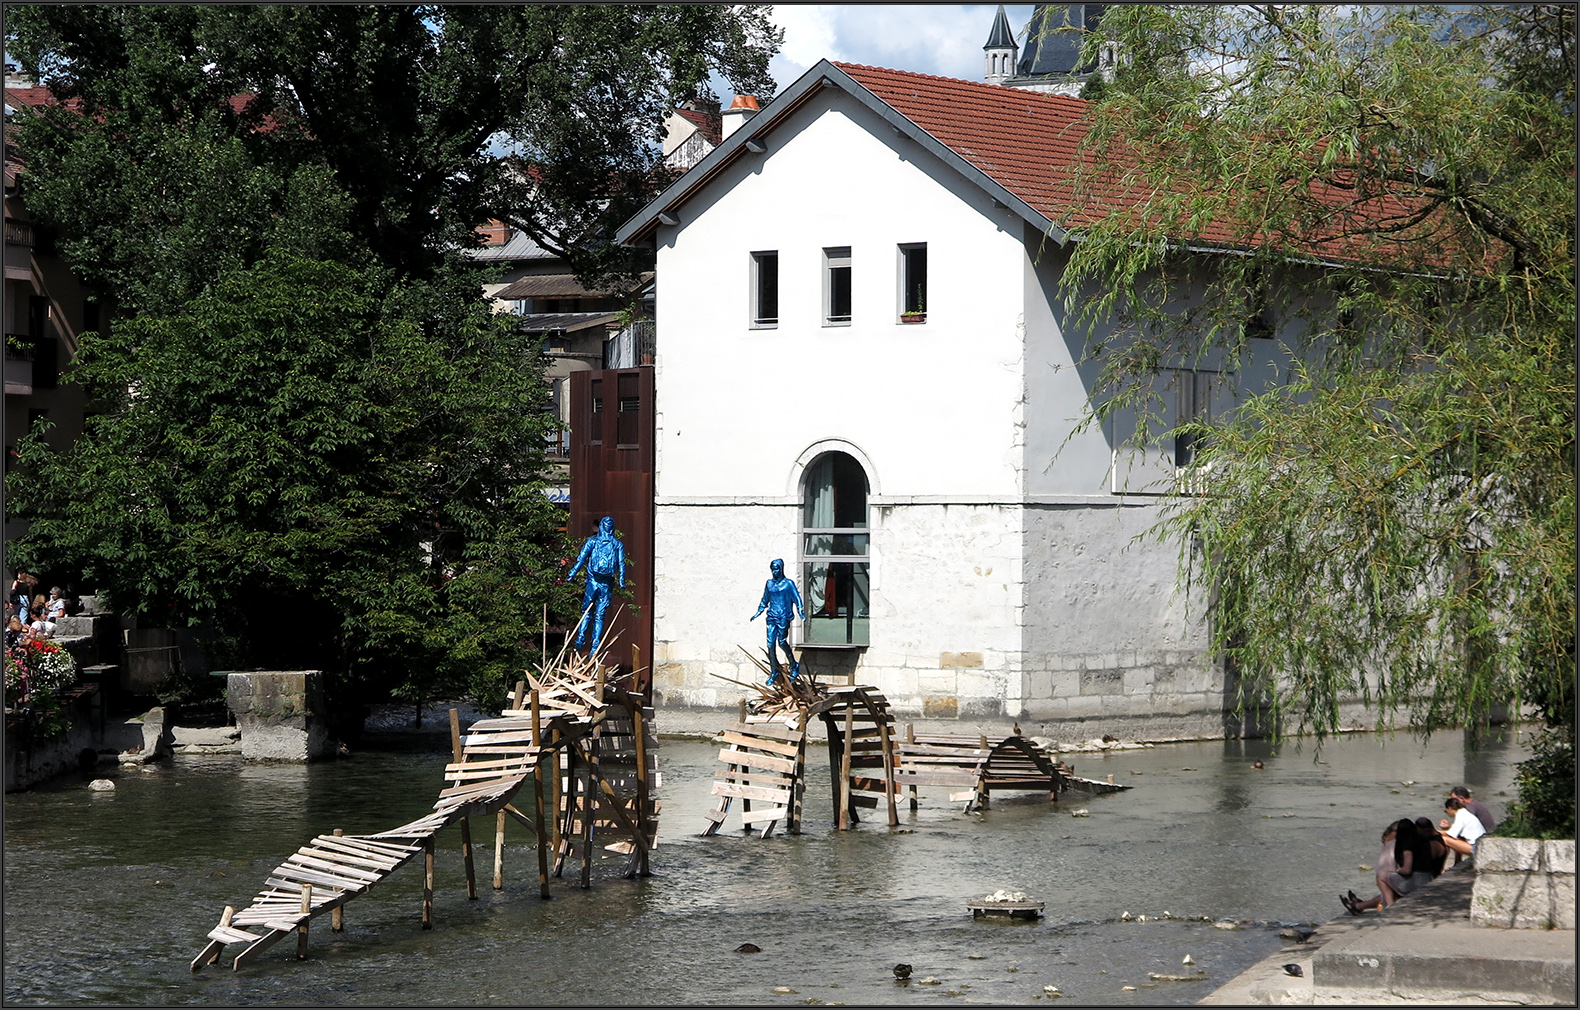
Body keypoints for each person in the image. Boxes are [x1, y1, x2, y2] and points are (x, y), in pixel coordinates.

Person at [566, 516, 625, 654]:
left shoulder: (592, 541)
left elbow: (581, 559)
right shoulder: (617, 544)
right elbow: (621, 564)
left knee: (586, 612)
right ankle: (595, 644)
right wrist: (621, 580)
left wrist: (572, 573)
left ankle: (580, 638)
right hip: (607, 583)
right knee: (599, 616)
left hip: (592, 581)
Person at [750, 558, 804, 686]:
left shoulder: (788, 584)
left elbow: (797, 599)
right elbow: (765, 600)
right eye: (773, 569)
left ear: (781, 568)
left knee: (781, 642)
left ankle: (793, 664)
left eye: (777, 568)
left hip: (783, 617)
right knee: (770, 644)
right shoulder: (769, 584)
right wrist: (758, 612)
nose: (775, 571)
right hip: (771, 617)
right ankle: (774, 670)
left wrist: (801, 612)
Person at [1344, 823, 1400, 913]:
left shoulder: (1390, 844)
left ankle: (1358, 906)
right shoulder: (1395, 844)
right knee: (1387, 892)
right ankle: (1359, 906)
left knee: (1386, 892)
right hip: (1393, 876)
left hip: (1390, 877)